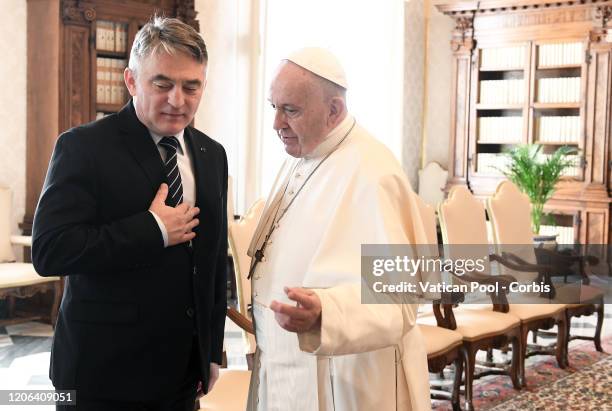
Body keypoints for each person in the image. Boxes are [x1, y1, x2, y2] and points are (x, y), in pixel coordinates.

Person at [32, 16, 227, 410]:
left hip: (181, 375)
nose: (178, 99)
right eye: (163, 84)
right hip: (101, 375)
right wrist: (152, 229)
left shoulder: (212, 154)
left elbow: (212, 261)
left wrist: (211, 349)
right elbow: (50, 250)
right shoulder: (82, 147)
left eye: (192, 86)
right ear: (131, 81)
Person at [246, 48, 431, 410]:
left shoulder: (373, 172)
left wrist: (325, 312)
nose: (276, 124)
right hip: (284, 370)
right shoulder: (301, 155)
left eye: (291, 110)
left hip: (346, 384)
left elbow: (401, 300)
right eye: (274, 107)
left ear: (334, 111)